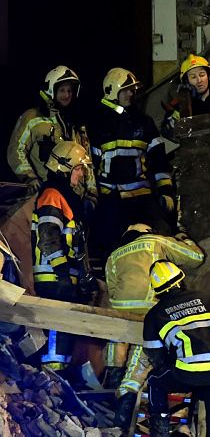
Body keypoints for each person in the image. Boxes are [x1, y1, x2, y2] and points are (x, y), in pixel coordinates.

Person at [103, 223, 205, 427]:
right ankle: (128, 392)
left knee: (118, 335)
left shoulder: (113, 256)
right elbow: (196, 258)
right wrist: (185, 239)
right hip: (150, 306)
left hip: (121, 308)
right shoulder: (156, 242)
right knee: (142, 348)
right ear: (147, 232)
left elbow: (111, 289)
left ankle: (113, 375)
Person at [143, 260, 210, 437]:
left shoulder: (155, 314)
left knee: (155, 380)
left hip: (189, 372)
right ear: (181, 280)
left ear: (157, 290)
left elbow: (155, 356)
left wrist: (170, 362)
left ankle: (160, 432)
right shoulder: (205, 298)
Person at [89, 68, 174, 256]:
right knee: (112, 248)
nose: (131, 93)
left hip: (141, 198)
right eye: (126, 89)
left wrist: (166, 192)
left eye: (132, 89)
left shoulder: (144, 123)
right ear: (112, 91)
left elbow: (159, 161)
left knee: (160, 235)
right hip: (110, 200)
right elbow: (90, 167)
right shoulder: (96, 125)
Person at [31, 141, 96, 370]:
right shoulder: (51, 195)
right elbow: (48, 237)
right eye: (78, 169)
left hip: (65, 276)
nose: (81, 174)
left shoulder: (68, 198)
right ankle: (51, 379)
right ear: (63, 167)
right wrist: (62, 273)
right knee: (57, 334)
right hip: (53, 276)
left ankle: (59, 380)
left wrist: (83, 276)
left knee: (64, 333)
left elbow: (76, 243)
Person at [7, 65, 97, 206]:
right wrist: (30, 178)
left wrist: (91, 193)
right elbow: (16, 150)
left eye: (69, 91)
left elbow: (87, 160)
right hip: (45, 195)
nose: (66, 95)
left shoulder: (77, 123)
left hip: (75, 197)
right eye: (62, 90)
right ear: (51, 90)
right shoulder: (33, 118)